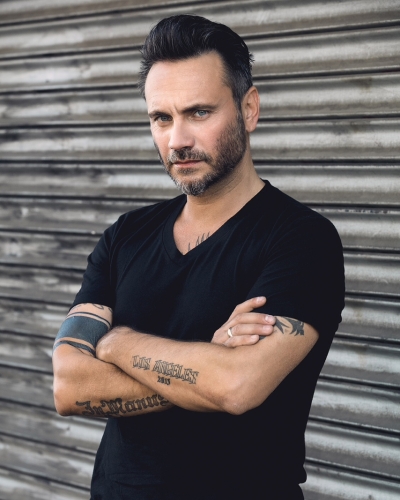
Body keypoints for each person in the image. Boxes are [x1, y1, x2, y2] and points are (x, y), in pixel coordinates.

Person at [52, 14, 345, 500]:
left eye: (199, 113)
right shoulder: (126, 236)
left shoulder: (301, 240)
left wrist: (116, 343)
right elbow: (68, 386)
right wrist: (204, 360)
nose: (177, 140)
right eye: (161, 118)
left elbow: (235, 386)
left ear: (249, 109)